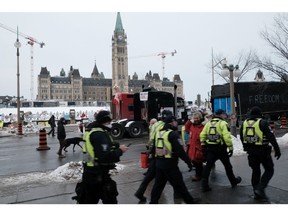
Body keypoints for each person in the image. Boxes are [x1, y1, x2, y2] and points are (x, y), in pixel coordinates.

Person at [81, 110, 129, 204]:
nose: (110, 124)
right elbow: (105, 157)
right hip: (98, 175)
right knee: (110, 200)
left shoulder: (91, 131)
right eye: (109, 122)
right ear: (104, 122)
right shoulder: (100, 135)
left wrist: (114, 146)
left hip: (89, 172)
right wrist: (120, 151)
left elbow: (93, 151)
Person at [150, 115, 196, 204]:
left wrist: (154, 161)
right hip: (170, 164)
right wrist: (189, 162)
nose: (176, 123)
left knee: (158, 186)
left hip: (159, 164)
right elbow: (180, 151)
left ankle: (153, 202)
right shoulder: (172, 134)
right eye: (175, 121)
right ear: (172, 122)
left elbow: (153, 149)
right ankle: (190, 202)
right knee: (180, 184)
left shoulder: (158, 133)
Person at [240, 106, 281, 200]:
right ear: (260, 114)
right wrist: (277, 150)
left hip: (251, 151)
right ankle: (260, 189)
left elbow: (242, 137)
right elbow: (271, 137)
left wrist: (245, 147)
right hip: (262, 150)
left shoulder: (245, 123)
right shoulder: (263, 122)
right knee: (269, 169)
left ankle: (256, 192)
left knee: (255, 171)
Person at [200, 109, 242, 192]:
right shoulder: (223, 123)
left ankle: (204, 185)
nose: (225, 116)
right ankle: (233, 181)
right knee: (228, 166)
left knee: (208, 167)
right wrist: (230, 148)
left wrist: (203, 145)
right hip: (221, 149)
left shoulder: (208, 123)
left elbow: (202, 135)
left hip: (210, 148)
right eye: (224, 114)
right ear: (221, 115)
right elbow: (226, 136)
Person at [134, 110, 172, 202]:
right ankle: (180, 193)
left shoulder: (155, 124)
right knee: (172, 174)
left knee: (150, 174)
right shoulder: (164, 126)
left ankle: (140, 192)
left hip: (154, 150)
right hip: (162, 152)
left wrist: (149, 147)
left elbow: (151, 137)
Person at [185, 111, 205, 181]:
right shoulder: (192, 126)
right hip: (192, 147)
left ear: (200, 118)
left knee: (198, 162)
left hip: (198, 148)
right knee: (194, 162)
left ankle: (198, 175)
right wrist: (190, 120)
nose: (196, 120)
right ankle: (201, 174)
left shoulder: (203, 126)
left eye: (197, 118)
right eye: (195, 118)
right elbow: (186, 127)